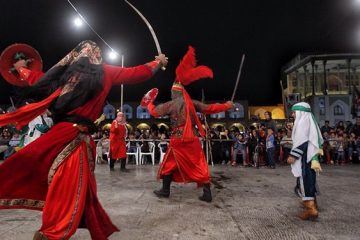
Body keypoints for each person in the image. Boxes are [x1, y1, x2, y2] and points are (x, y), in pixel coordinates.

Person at [0, 40, 168, 240]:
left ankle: (71, 219)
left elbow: (37, 79)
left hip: (62, 134)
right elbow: (137, 72)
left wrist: (21, 69)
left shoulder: (64, 75)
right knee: (68, 184)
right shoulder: (105, 71)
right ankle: (52, 232)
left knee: (69, 181)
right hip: (74, 137)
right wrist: (158, 62)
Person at [144, 46, 233, 202]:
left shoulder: (171, 104)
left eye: (172, 91)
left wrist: (149, 103)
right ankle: (207, 193)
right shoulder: (192, 103)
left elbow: (154, 112)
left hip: (178, 139)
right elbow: (210, 108)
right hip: (192, 138)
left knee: (169, 164)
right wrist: (227, 105)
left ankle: (165, 190)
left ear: (176, 92)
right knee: (198, 164)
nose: (171, 93)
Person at [287, 102, 323, 221]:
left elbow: (302, 142)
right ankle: (313, 204)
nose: (292, 114)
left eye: (294, 112)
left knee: (305, 180)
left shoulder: (303, 122)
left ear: (300, 112)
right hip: (309, 157)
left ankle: (311, 209)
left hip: (304, 158)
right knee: (310, 180)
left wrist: (293, 155)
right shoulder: (308, 121)